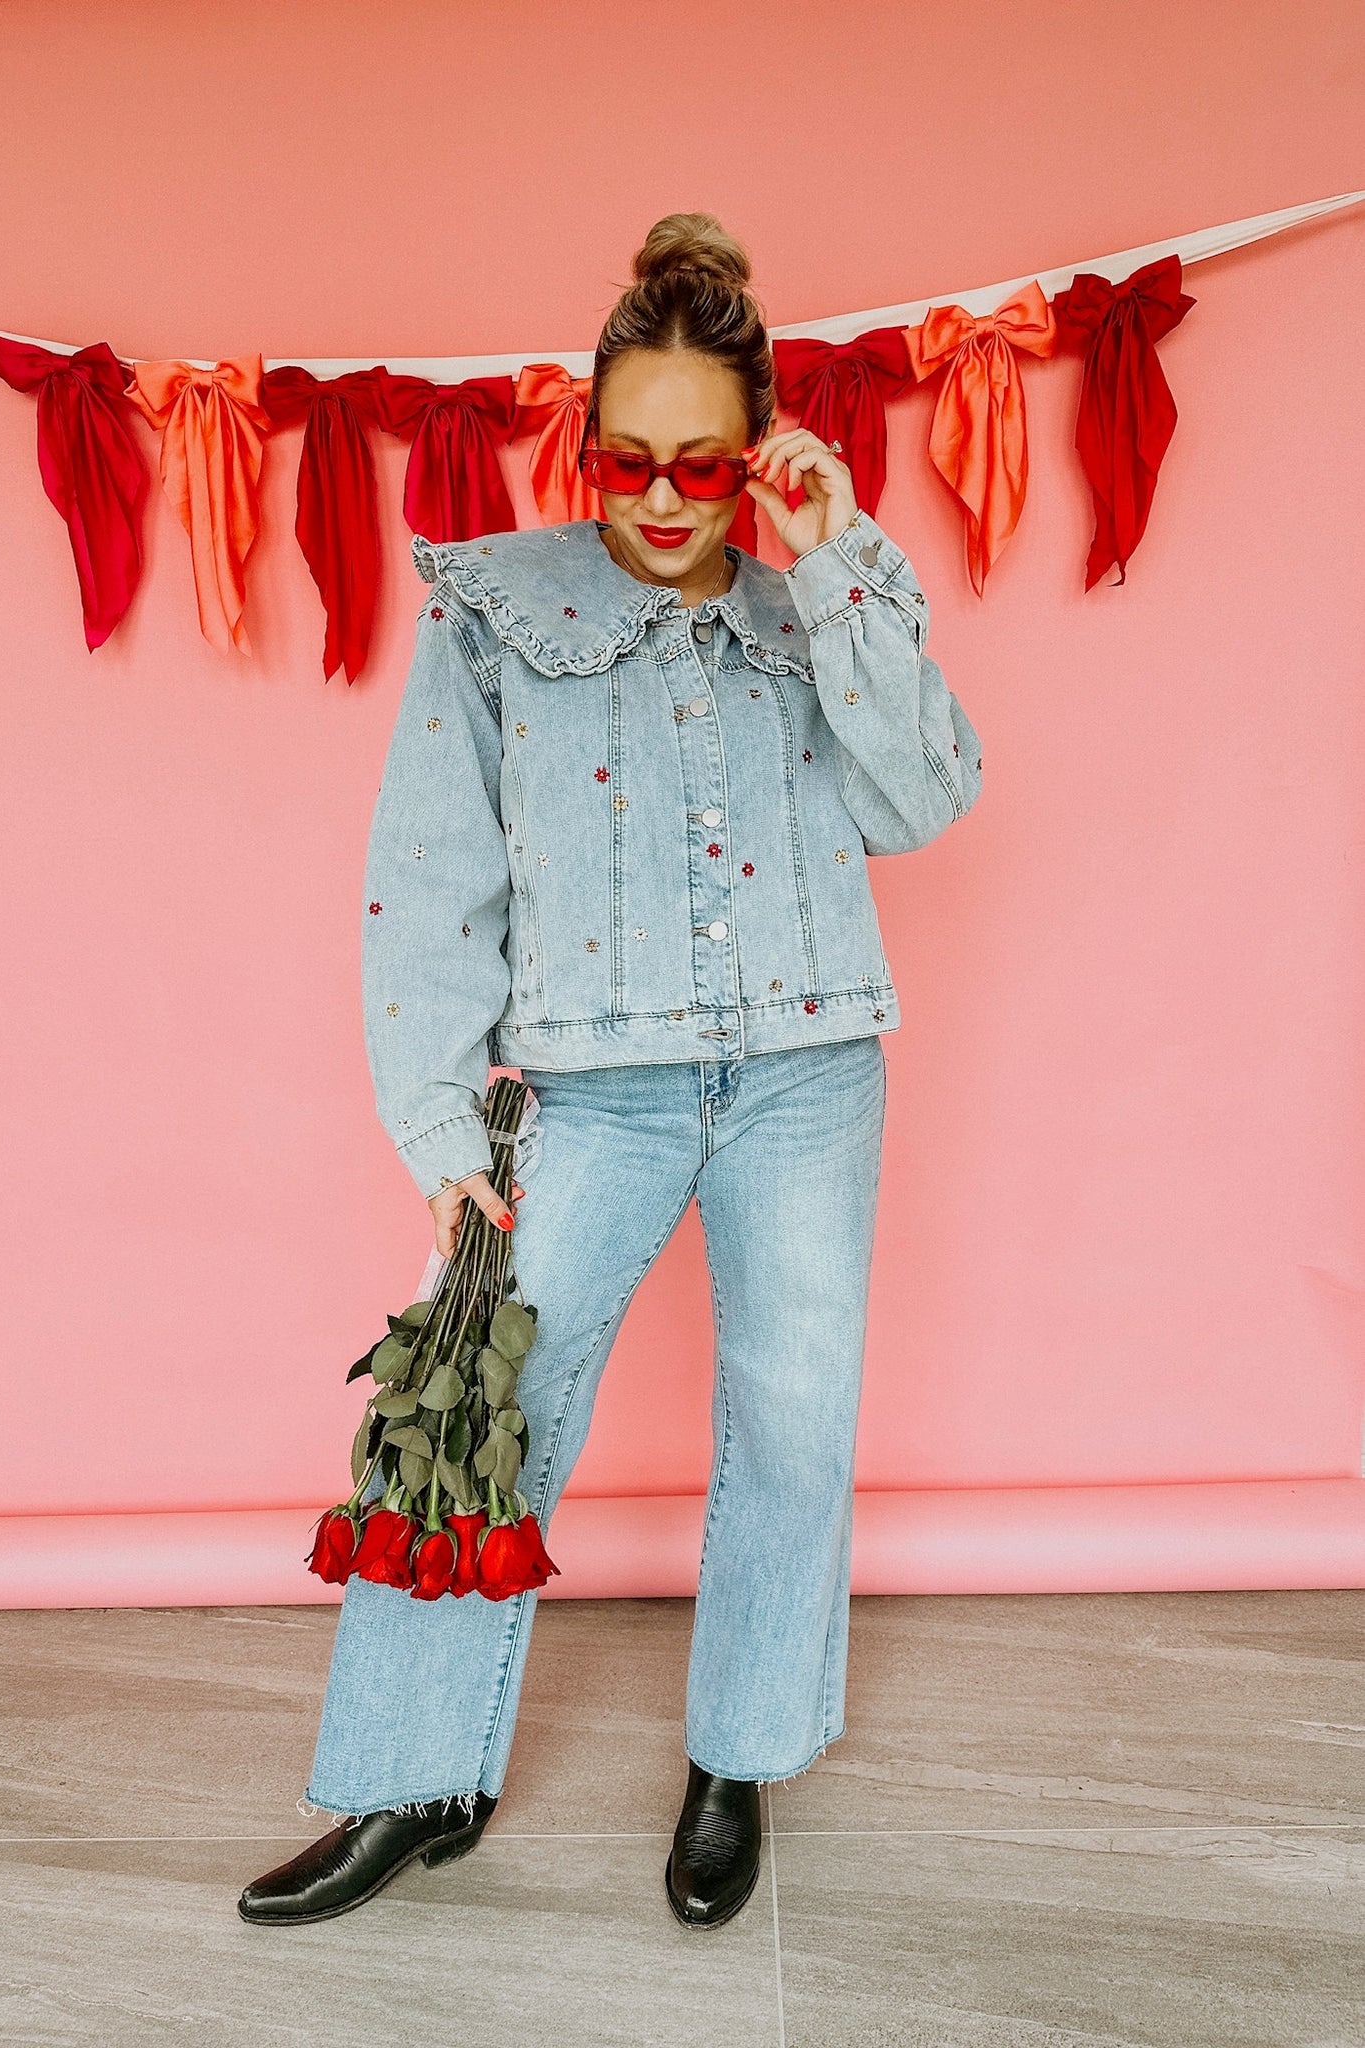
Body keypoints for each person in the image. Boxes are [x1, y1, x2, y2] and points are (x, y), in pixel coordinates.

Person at [238, 211, 982, 1932]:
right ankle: (407, 1783)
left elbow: (925, 802)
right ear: (587, 441)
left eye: (703, 467)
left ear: (760, 454)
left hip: (809, 1071)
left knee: (793, 1422)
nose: (660, 499)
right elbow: (432, 876)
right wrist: (440, 1123)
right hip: (583, 1090)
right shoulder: (499, 609)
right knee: (479, 1412)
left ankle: (739, 1760)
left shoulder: (830, 596)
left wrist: (838, 551)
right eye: (628, 459)